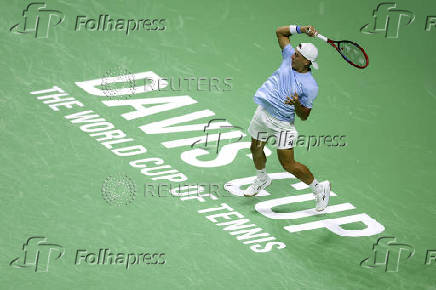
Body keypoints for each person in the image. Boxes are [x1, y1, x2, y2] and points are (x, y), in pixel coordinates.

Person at [245, 24, 330, 212]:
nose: (292, 55)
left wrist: (297, 103)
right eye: (294, 53)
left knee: (288, 164)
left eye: (297, 56)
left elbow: (304, 116)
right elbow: (280, 32)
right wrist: (301, 29)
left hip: (282, 124)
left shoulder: (310, 86)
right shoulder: (288, 58)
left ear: (307, 62)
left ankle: (319, 188)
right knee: (255, 149)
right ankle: (262, 179)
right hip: (263, 113)